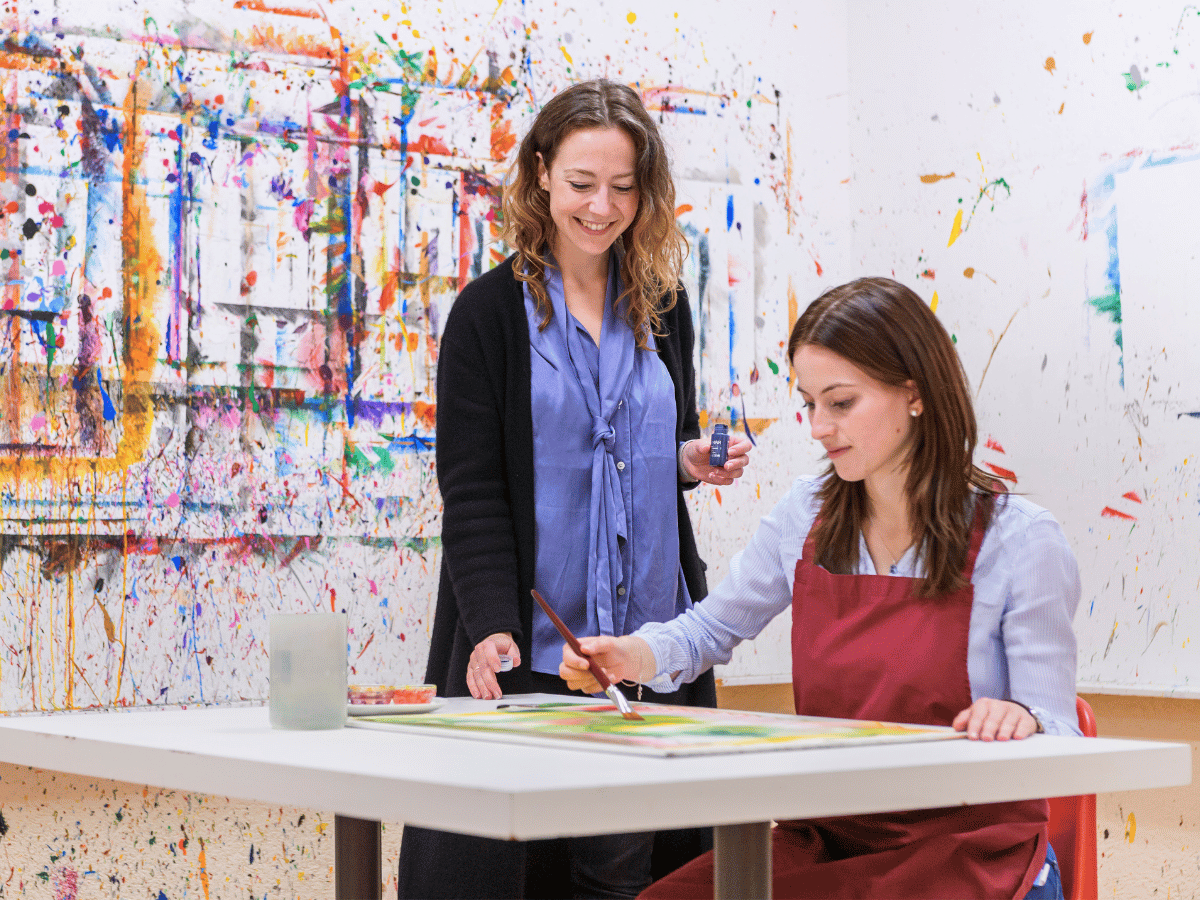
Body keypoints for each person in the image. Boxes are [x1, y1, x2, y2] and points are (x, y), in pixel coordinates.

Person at [561, 276, 1080, 900]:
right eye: (809, 404)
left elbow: (1060, 734)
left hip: (970, 852)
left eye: (841, 403)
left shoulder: (1020, 540)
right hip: (830, 839)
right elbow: (709, 629)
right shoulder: (805, 513)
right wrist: (631, 655)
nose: (818, 427)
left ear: (914, 394)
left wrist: (1023, 718)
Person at [398, 79, 752, 900]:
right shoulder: (488, 314)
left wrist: (689, 461)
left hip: (649, 644)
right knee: (521, 870)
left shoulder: (664, 306)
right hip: (532, 643)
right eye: (582, 183)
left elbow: (658, 447)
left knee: (635, 874)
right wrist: (489, 625)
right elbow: (473, 490)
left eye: (623, 187)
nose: (602, 207)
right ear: (541, 174)